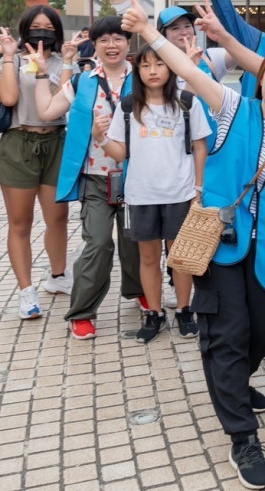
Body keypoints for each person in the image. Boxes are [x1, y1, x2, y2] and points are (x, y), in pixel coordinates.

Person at [121, 0, 265, 491]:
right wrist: (150, 31)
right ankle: (242, 437)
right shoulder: (232, 108)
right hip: (220, 244)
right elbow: (188, 67)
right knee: (227, 336)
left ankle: (232, 381)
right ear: (261, 75)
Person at [33, 15, 144, 340]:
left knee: (134, 243)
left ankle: (140, 291)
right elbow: (47, 112)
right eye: (104, 40)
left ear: (128, 43)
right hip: (96, 180)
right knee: (98, 244)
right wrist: (41, 72)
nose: (112, 45)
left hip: (136, 178)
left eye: (118, 38)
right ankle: (81, 312)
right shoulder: (82, 82)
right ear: (93, 46)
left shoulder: (144, 78)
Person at [95, 45, 210, 342]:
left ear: (171, 68)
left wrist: (198, 189)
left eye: (160, 64)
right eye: (145, 66)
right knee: (148, 258)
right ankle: (154, 313)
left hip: (180, 193)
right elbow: (121, 153)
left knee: (180, 257)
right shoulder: (128, 106)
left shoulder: (187, 103)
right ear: (138, 72)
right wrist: (99, 138)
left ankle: (185, 310)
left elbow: (200, 146)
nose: (153, 71)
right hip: (140, 195)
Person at [0, 6, 79, 320]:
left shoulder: (66, 62)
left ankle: (57, 277)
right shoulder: (7, 61)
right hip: (18, 141)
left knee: (58, 218)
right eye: (36, 26)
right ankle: (26, 291)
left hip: (56, 141)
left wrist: (66, 64)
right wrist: (11, 57)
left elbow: (57, 104)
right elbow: (9, 99)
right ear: (25, 29)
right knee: (20, 222)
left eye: (49, 27)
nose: (43, 32)